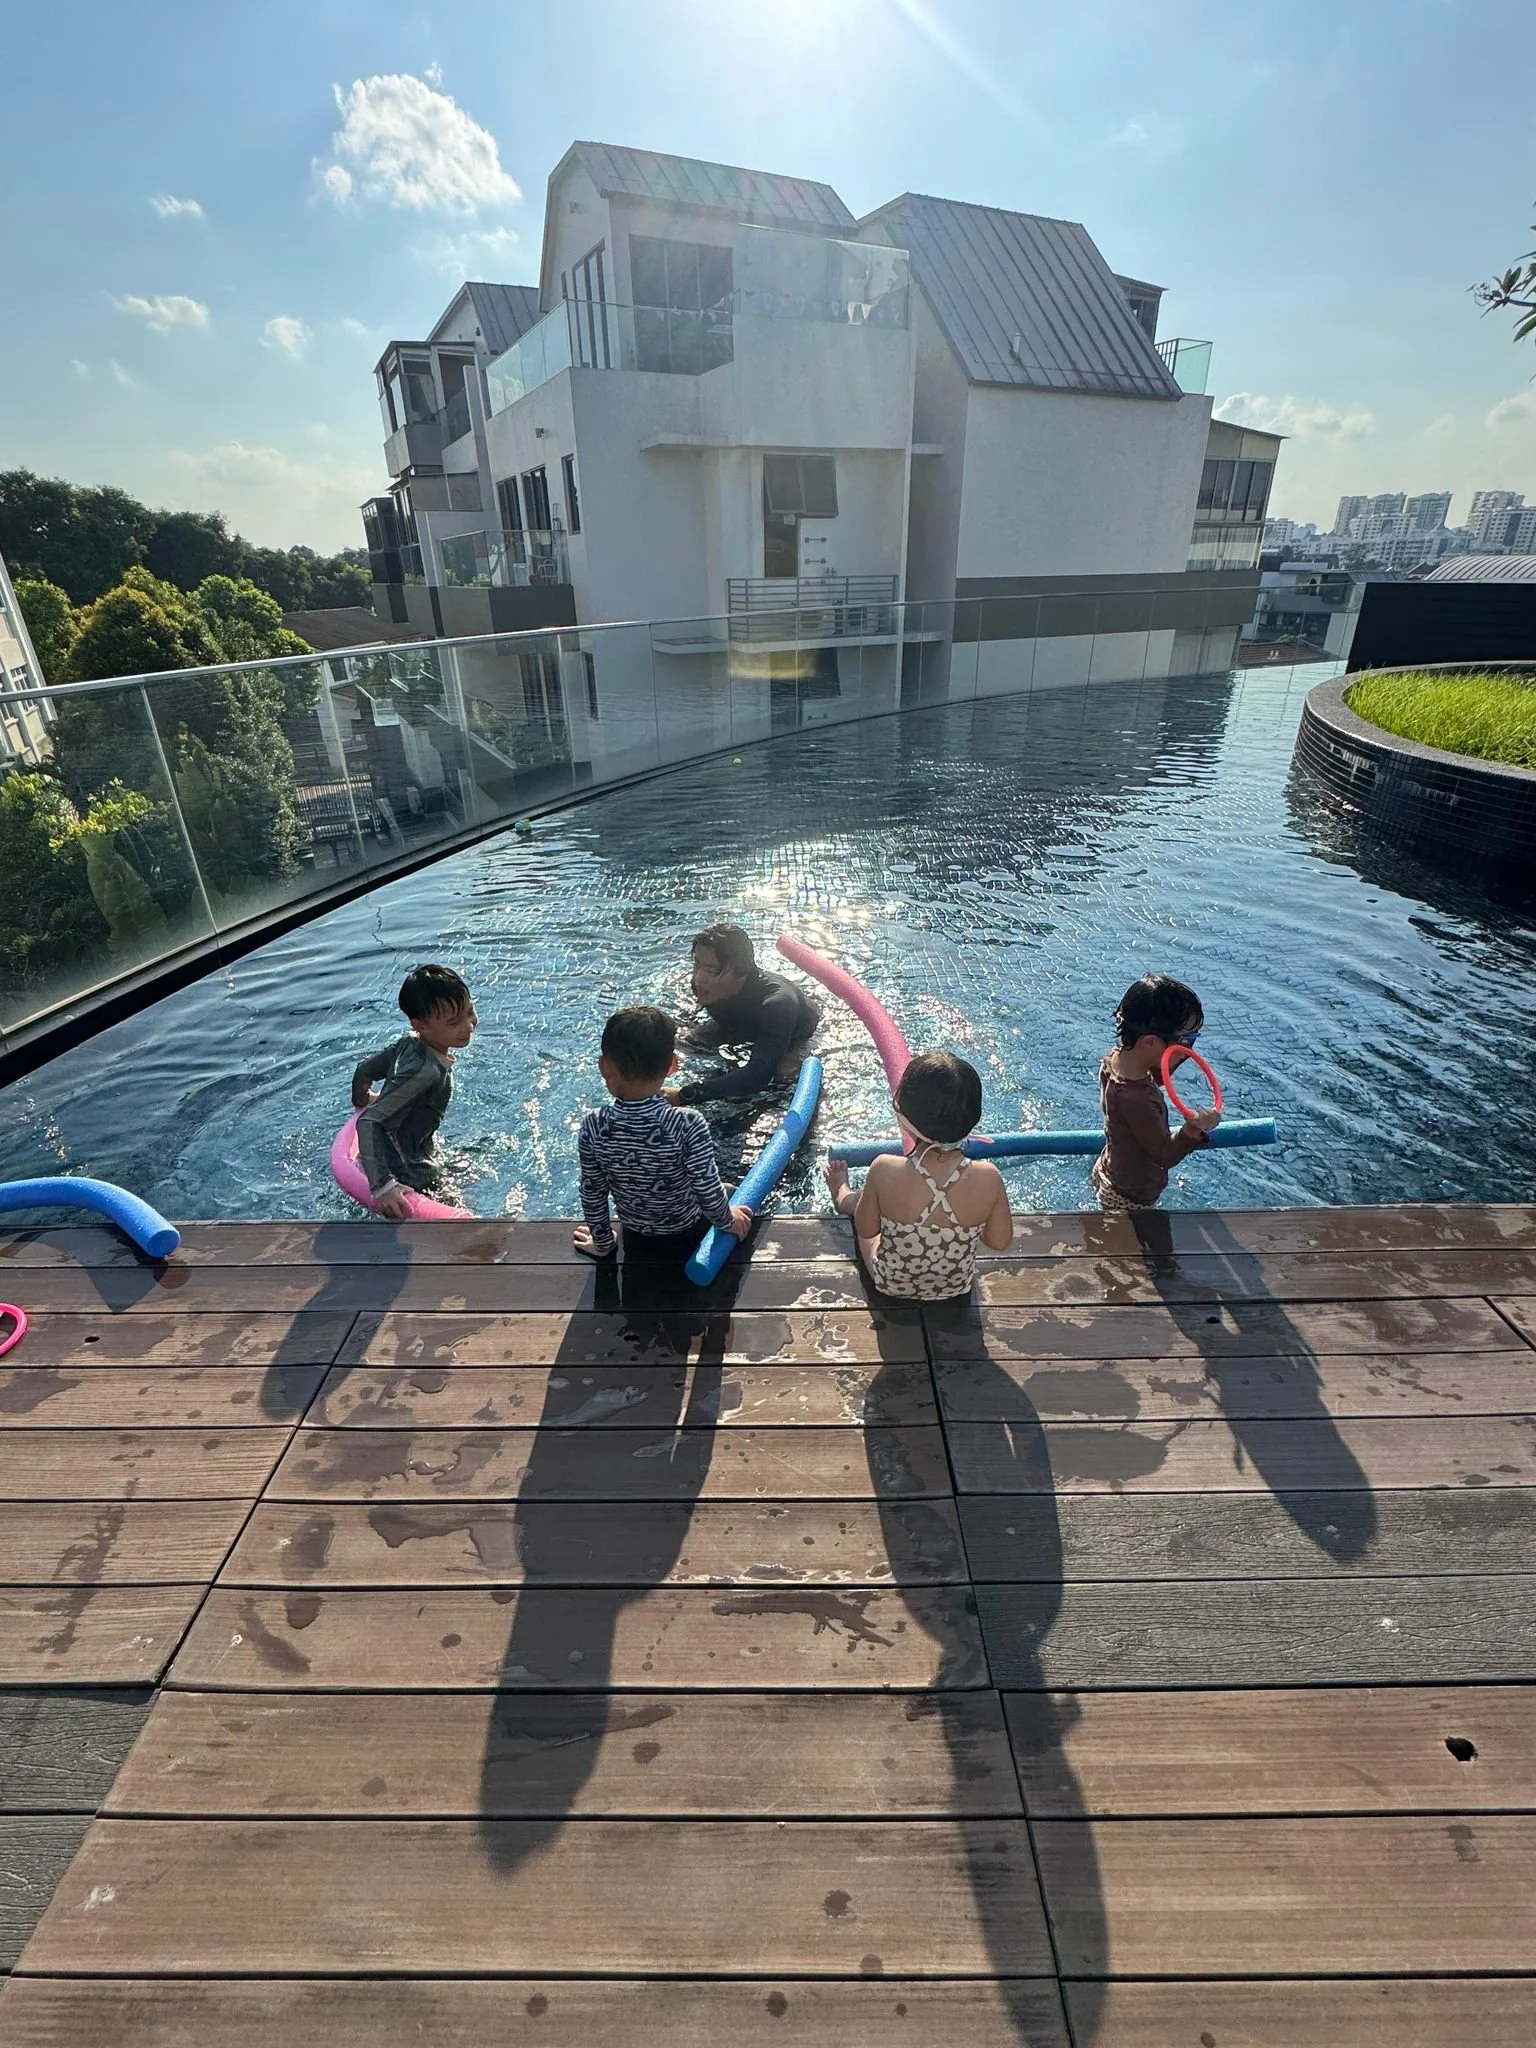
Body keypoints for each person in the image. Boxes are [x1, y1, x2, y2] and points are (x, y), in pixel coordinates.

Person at [824, 1052, 1013, 1300]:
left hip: (891, 1283)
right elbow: (999, 1241)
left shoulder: (883, 1168)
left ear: (904, 1117)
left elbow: (867, 1229)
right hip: (956, 1287)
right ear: (972, 1118)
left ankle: (842, 1194)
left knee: (868, 1211)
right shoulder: (989, 1177)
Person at [574, 1004, 753, 1262]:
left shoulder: (593, 1126)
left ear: (604, 1067)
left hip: (638, 1234)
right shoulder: (688, 1123)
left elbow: (593, 1191)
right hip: (688, 1231)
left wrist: (602, 1242)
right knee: (732, 1192)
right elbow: (705, 1186)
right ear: (672, 1066)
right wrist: (728, 1221)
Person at [351, 964, 478, 1220]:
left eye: (470, 1011)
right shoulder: (426, 1072)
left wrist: (363, 1100)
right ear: (420, 1025)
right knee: (463, 1223)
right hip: (408, 1171)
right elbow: (369, 1122)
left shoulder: (407, 1044)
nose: (468, 1026)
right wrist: (383, 1185)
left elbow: (364, 1071)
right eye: (454, 1022)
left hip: (402, 1152)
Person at [1092, 973, 1221, 1213]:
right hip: (1130, 1197)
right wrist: (1193, 1129)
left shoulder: (1115, 1059)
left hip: (1110, 1169)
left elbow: (1156, 1076)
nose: (1190, 1049)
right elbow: (1164, 1155)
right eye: (1187, 1041)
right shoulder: (1136, 1099)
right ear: (1150, 1043)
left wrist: (1177, 1054)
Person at [666, 924, 821, 1106]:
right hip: (739, 1025)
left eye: (711, 970)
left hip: (794, 1035)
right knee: (683, 1042)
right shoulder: (710, 987)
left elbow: (759, 1076)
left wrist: (686, 1095)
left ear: (741, 971)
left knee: (783, 1076)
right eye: (696, 964)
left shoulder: (778, 1003)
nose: (698, 978)